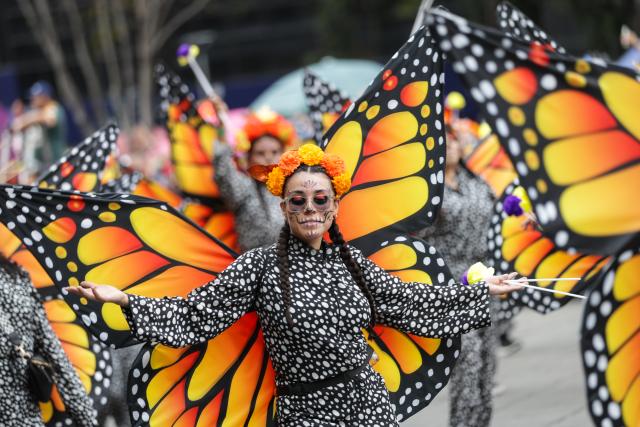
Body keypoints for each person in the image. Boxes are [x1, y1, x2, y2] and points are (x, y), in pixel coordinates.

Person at [67, 144, 523, 426]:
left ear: (334, 205)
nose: (310, 208)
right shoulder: (259, 268)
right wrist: (125, 301)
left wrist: (483, 291)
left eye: (320, 199)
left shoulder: (353, 265)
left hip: (369, 406)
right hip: (305, 413)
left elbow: (410, 302)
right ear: (284, 208)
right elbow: (193, 315)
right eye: (298, 200)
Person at [418, 124, 499, 427]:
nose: (450, 146)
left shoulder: (477, 183)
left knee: (488, 364)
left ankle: (481, 421)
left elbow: (498, 218)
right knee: (469, 358)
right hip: (452, 282)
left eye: (453, 141)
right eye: (443, 142)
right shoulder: (428, 191)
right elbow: (415, 238)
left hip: (486, 279)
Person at [0, 254, 96, 426]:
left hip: (21, 414)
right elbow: (55, 355)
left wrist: (86, 418)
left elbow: (55, 355)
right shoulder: (15, 276)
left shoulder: (16, 275)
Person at [212, 105, 297, 251]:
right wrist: (221, 128)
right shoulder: (243, 189)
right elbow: (223, 171)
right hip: (254, 269)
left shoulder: (296, 187)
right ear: (249, 159)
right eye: (260, 153)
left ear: (285, 154)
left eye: (275, 151)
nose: (269, 157)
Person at [11, 81, 68, 168]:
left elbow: (50, 119)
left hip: (55, 160)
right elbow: (18, 126)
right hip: (43, 162)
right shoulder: (39, 110)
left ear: (45, 97)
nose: (32, 99)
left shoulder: (53, 107)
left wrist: (27, 120)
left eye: (35, 97)